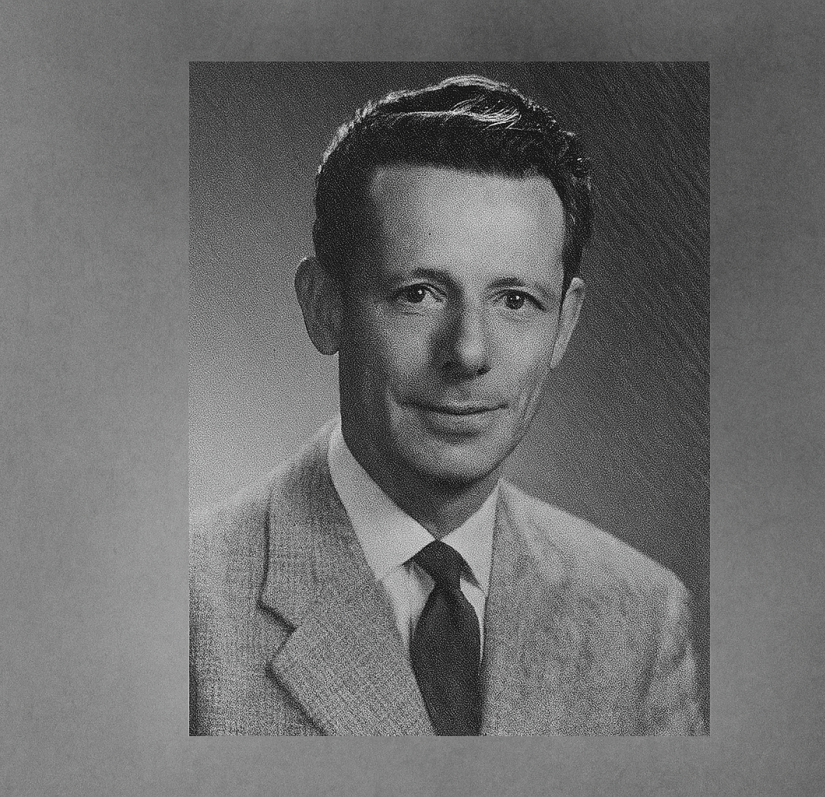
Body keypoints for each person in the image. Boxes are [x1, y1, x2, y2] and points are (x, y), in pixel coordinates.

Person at [189, 74, 705, 736]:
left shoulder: (641, 615)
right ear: (325, 307)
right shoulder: (183, 605)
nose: (468, 352)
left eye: (515, 299)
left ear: (565, 325)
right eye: (419, 293)